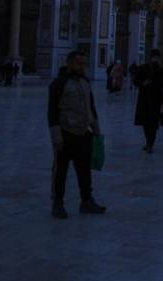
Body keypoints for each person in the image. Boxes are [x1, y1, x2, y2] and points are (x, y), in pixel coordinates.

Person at [47, 51, 105, 219]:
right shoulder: (59, 83)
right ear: (70, 63)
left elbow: (90, 108)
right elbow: (52, 112)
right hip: (65, 134)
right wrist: (55, 136)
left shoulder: (85, 82)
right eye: (79, 64)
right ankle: (57, 203)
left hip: (83, 134)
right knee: (60, 172)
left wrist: (97, 130)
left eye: (84, 64)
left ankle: (86, 201)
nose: (82, 67)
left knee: (84, 171)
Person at [133, 50, 163, 153]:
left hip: (155, 101)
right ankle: (148, 141)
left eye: (157, 58)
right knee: (145, 123)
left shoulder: (162, 72)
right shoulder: (143, 69)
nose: (155, 59)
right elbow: (136, 81)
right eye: (154, 57)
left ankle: (150, 144)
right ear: (150, 58)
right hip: (144, 100)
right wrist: (143, 83)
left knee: (153, 124)